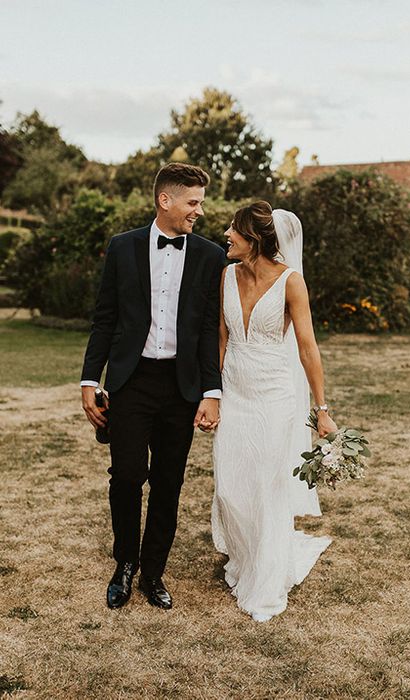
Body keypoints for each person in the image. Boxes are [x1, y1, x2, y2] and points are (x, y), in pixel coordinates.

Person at [80, 163, 226, 610]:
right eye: (193, 201)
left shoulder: (209, 255)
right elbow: (105, 318)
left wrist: (211, 391)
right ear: (166, 200)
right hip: (132, 380)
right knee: (126, 476)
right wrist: (90, 378)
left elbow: (207, 330)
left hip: (180, 386)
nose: (199, 210)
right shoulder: (122, 248)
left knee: (168, 481)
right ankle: (124, 563)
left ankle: (153, 572)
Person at [211, 201, 334, 621]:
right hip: (234, 393)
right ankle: (245, 559)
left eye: (234, 229)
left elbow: (307, 347)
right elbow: (222, 339)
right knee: (230, 485)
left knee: (265, 485)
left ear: (255, 239)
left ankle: (264, 576)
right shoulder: (226, 275)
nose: (226, 234)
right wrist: (212, 392)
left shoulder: (291, 282)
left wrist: (322, 408)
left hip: (274, 396)